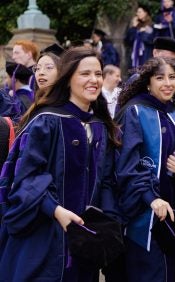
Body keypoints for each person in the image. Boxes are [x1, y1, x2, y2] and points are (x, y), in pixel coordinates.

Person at [0, 47, 120, 281]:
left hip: (85, 238)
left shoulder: (99, 127)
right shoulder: (47, 121)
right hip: (45, 236)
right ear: (68, 78)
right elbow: (26, 178)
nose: (94, 80)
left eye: (97, 74)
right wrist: (56, 210)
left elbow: (105, 181)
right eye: (85, 74)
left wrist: (109, 224)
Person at [114, 57, 175, 282]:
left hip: (171, 212)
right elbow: (127, 165)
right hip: (142, 212)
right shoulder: (135, 112)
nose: (168, 83)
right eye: (160, 78)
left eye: (172, 77)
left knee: (168, 274)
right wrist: (151, 197)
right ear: (148, 83)